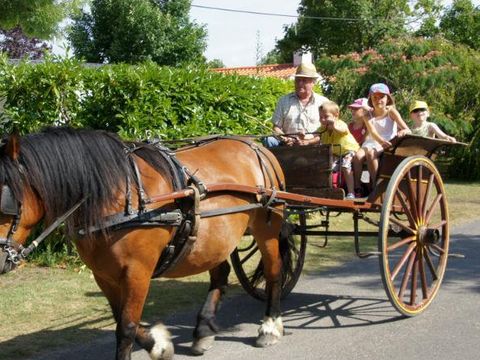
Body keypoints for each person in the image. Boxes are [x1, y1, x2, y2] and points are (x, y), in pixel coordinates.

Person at [356, 83, 411, 190]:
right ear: (371, 100)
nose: (378, 100)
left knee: (371, 154)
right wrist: (380, 141)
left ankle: (376, 185)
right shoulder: (367, 115)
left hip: (387, 141)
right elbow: (372, 132)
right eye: (375, 97)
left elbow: (407, 128)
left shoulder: (391, 112)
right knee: (357, 156)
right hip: (373, 141)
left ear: (388, 99)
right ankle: (357, 187)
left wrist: (403, 131)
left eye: (382, 97)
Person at [265, 62, 329, 147]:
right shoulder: (284, 101)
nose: (300, 84)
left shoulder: (323, 102)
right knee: (269, 140)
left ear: (313, 82)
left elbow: (328, 131)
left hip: (315, 148)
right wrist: (285, 138)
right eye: (298, 80)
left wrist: (308, 142)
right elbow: (276, 128)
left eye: (304, 80)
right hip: (287, 146)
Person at [319, 101, 359, 200]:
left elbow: (343, 130)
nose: (323, 120)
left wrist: (334, 125)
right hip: (336, 153)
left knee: (345, 166)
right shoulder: (323, 128)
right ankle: (330, 189)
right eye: (321, 117)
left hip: (349, 150)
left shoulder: (341, 124)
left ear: (336, 115)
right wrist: (304, 137)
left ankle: (351, 192)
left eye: (326, 116)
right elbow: (315, 135)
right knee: (328, 167)